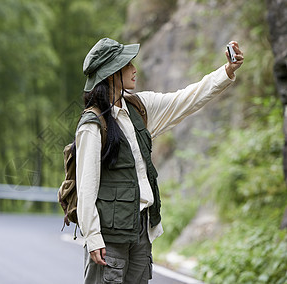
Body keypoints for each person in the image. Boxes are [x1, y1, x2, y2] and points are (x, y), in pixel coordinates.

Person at [75, 37, 244, 283]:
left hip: (141, 230)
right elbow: (86, 187)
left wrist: (226, 71)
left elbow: (187, 98)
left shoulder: (139, 108)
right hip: (109, 239)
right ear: (111, 73)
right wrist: (92, 238)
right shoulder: (92, 125)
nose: (134, 69)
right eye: (127, 65)